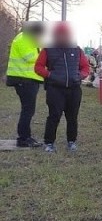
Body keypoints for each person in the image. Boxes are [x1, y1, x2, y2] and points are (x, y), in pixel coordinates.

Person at [34, 22, 90, 153]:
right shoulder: (48, 50)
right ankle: (49, 143)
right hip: (55, 89)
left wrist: (80, 75)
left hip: (74, 89)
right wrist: (49, 75)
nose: (62, 37)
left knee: (72, 117)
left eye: (65, 35)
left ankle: (72, 142)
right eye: (60, 35)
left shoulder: (77, 50)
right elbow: (38, 67)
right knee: (54, 116)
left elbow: (86, 67)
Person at [6, 20, 45, 148]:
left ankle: (25, 136)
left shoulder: (28, 39)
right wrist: (41, 51)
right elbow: (30, 57)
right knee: (27, 110)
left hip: (27, 80)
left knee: (28, 109)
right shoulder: (23, 39)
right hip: (23, 80)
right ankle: (23, 138)